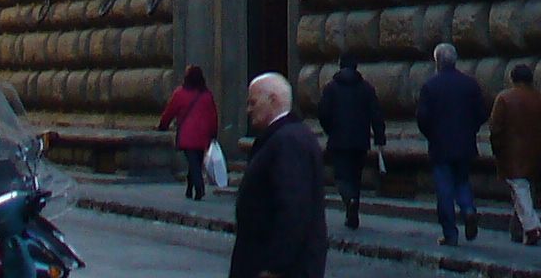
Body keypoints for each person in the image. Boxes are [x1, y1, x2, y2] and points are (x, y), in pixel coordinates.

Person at [228, 72, 327, 278]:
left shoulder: (288, 141)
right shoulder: (283, 137)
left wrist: (275, 267)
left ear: (272, 100)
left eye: (253, 102)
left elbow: (294, 209)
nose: (248, 110)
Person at [416, 42, 491, 245]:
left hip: (440, 146)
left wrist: (432, 134)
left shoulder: (430, 86)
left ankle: (450, 233)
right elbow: (482, 114)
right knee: (462, 182)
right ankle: (468, 210)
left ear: (437, 61)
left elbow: (422, 118)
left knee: (445, 190)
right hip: (465, 144)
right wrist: (470, 130)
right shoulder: (470, 84)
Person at [488, 61, 541, 246]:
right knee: (524, 189)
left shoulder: (504, 98)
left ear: (512, 79)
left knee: (519, 190)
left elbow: (495, 128)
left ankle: (532, 227)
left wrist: (497, 149)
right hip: (534, 152)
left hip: (510, 153)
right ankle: (519, 231)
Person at [316, 56, 386, 229]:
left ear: (340, 66)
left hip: (338, 140)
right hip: (360, 141)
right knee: (355, 177)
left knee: (341, 177)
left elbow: (323, 113)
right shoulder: (366, 88)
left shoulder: (331, 88)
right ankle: (352, 213)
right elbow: (376, 114)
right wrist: (379, 137)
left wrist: (330, 130)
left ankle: (350, 200)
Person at [160, 64, 222, 202]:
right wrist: (213, 133)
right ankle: (190, 188)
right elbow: (213, 115)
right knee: (196, 162)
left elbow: (170, 111)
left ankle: (199, 187)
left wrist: (162, 125)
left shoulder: (180, 93)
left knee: (193, 163)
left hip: (187, 135)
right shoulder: (207, 95)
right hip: (203, 135)